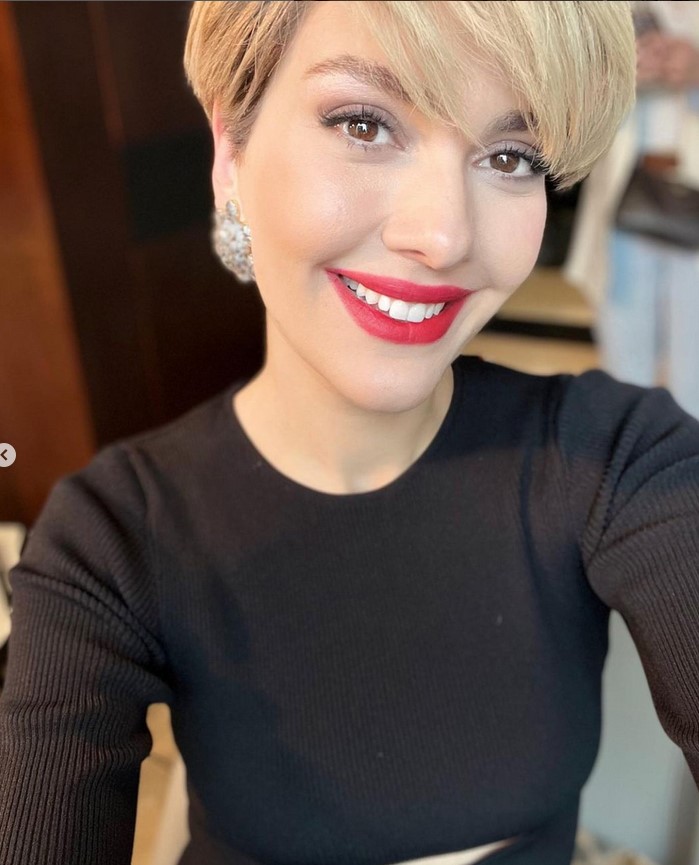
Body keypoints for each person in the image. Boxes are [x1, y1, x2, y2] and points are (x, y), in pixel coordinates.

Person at [0, 2, 696, 864]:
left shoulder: (615, 458)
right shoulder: (109, 538)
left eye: (509, 156)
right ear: (230, 153)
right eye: (363, 123)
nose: (442, 235)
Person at [565, 1, 699, 418]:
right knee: (623, 342)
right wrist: (616, 74)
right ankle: (627, 444)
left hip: (692, 197)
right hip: (624, 198)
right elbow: (563, 85)